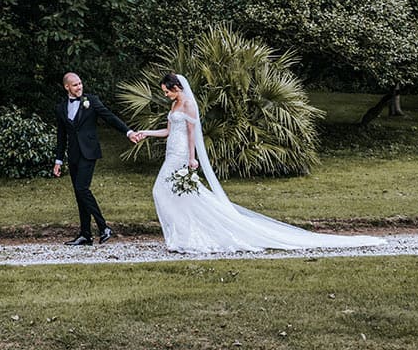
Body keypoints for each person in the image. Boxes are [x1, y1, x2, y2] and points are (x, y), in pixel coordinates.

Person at [133, 73, 385, 253]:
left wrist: (192, 157)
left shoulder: (188, 104)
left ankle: (186, 235)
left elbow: (191, 134)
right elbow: (168, 131)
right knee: (179, 194)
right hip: (171, 151)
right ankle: (182, 235)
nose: (165, 94)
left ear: (177, 87)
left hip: (180, 155)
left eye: (167, 90)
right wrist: (146, 133)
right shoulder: (175, 104)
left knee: (163, 191)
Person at [53, 71, 141, 246]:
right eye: (75, 85)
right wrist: (58, 160)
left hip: (89, 152)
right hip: (73, 154)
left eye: (80, 83)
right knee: (79, 194)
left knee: (82, 188)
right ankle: (85, 235)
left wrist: (128, 132)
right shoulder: (61, 107)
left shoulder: (91, 101)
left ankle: (103, 227)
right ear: (67, 87)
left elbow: (110, 117)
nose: (79, 87)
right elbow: (61, 136)